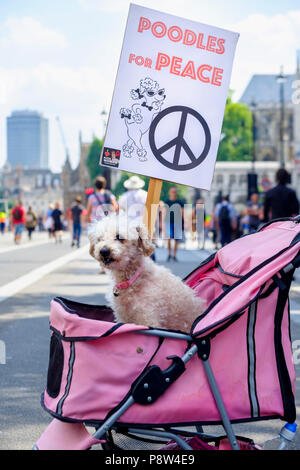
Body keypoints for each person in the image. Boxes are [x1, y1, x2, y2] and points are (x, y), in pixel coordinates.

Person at [163, 186, 185, 261]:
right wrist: (161, 222)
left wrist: (184, 222)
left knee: (176, 239)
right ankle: (169, 253)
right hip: (168, 222)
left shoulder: (179, 202)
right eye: (172, 192)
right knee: (169, 238)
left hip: (177, 222)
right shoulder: (166, 201)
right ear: (169, 193)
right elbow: (164, 212)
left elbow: (182, 212)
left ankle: (174, 255)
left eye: (175, 192)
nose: (173, 193)